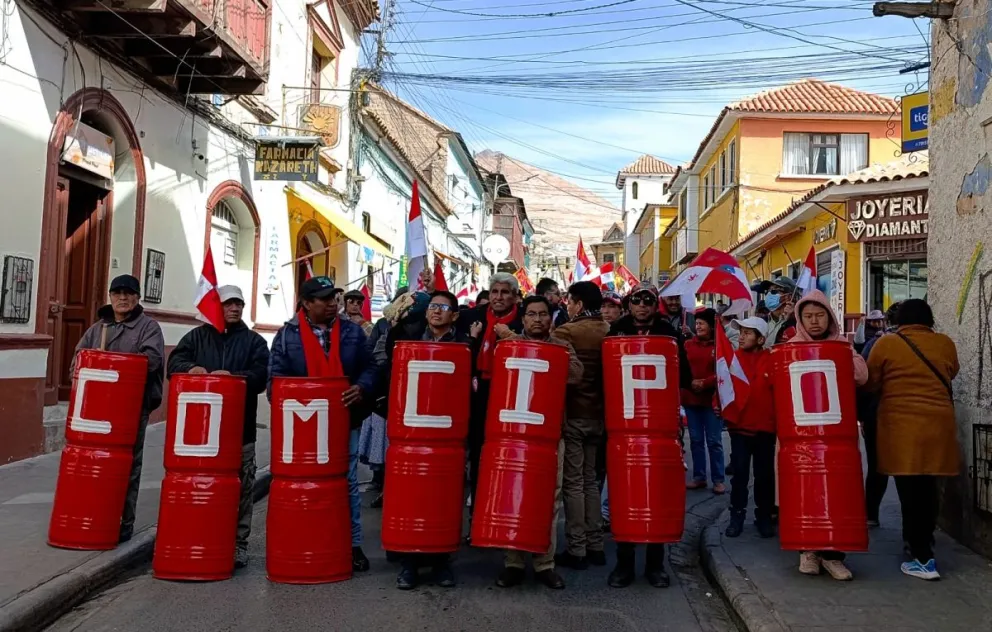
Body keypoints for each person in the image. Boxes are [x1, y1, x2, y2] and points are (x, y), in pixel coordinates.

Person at [268, 275, 377, 572]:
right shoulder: (287, 336)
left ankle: (351, 544)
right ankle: (307, 542)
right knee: (308, 487)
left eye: (334, 298)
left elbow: (370, 367)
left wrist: (362, 387)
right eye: (325, 299)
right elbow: (274, 380)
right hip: (304, 427)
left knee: (348, 482)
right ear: (306, 303)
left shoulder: (352, 333)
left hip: (345, 417)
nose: (333, 304)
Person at [166, 285, 269, 568]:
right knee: (203, 490)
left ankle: (238, 544)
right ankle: (201, 538)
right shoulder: (196, 338)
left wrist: (234, 379)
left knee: (243, 488)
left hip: (240, 431)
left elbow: (261, 376)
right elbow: (173, 363)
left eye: (239, 304)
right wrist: (190, 369)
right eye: (228, 304)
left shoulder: (254, 342)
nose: (234, 309)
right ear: (217, 306)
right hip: (200, 436)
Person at [865, 299, 959, 581]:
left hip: (901, 425)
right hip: (938, 424)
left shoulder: (886, 344)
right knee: (929, 486)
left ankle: (921, 556)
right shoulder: (945, 343)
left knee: (909, 489)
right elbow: (951, 371)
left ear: (900, 320)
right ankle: (923, 543)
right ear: (929, 319)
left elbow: (870, 381)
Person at [605, 282, 691, 588]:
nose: (642, 305)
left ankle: (656, 565)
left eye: (648, 301)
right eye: (637, 300)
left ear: (656, 305)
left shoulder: (670, 333)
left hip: (660, 425)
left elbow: (685, 376)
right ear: (629, 304)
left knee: (657, 492)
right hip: (624, 426)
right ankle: (624, 565)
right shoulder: (615, 331)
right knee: (624, 492)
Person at [497, 295, 583, 590]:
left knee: (550, 498)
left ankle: (544, 563)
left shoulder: (561, 345)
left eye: (543, 314)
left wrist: (548, 353)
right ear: (523, 319)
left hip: (549, 435)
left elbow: (576, 375)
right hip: (514, 435)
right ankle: (513, 562)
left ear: (551, 318)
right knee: (514, 496)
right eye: (531, 314)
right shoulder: (508, 346)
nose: (537, 319)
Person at [71, 274, 164, 543]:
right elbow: (78, 362)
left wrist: (113, 367)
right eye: (117, 293)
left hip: (130, 411)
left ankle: (124, 521)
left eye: (128, 293)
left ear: (137, 298)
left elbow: (152, 361)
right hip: (97, 413)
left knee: (128, 466)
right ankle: (94, 515)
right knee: (93, 465)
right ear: (110, 297)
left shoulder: (149, 329)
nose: (122, 298)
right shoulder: (97, 330)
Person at [383, 290, 467, 590]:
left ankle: (442, 562)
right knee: (412, 500)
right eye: (432, 306)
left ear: (454, 315)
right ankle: (409, 563)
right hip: (412, 436)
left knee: (443, 500)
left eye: (443, 308)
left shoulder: (463, 345)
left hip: (447, 437)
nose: (436, 312)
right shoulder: (409, 338)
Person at [789, 290, 868, 581]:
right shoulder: (791, 347)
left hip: (836, 433)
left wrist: (838, 355)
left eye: (819, 315)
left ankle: (834, 555)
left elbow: (862, 375)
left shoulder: (841, 345)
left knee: (837, 495)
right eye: (808, 316)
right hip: (802, 435)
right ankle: (808, 551)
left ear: (829, 316)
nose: (814, 321)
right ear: (800, 318)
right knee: (805, 494)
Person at [551, 281, 611, 573]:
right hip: (600, 416)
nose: (567, 307)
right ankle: (596, 544)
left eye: (570, 302)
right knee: (591, 480)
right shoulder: (609, 332)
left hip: (574, 414)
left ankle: (577, 548)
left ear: (578, 304)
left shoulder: (566, 332)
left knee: (574, 483)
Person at [461, 274, 524, 518]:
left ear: (515, 296)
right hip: (478, 395)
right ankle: (477, 516)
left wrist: (509, 335)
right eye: (495, 292)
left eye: (505, 292)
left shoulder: (523, 320)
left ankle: (505, 514)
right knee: (478, 456)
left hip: (510, 397)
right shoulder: (472, 317)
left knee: (507, 457)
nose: (498, 297)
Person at [723, 317, 776, 539]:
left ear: (761, 338)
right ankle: (737, 515)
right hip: (740, 428)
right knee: (740, 475)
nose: (742, 336)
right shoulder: (733, 360)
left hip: (765, 428)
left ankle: (763, 516)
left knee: (764, 476)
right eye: (741, 332)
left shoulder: (771, 360)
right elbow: (723, 385)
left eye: (748, 332)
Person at [858, 301, 900, 526]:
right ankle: (914, 533)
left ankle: (870, 515)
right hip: (909, 418)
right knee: (909, 472)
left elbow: (865, 381)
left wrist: (863, 416)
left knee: (877, 467)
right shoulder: (937, 342)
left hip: (878, 415)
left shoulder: (877, 344)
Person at [684, 308, 726, 494]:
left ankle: (718, 479)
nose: (698, 326)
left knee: (714, 440)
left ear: (711, 326)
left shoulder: (720, 347)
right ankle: (699, 476)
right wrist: (690, 382)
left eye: (702, 323)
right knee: (695, 440)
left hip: (712, 401)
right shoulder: (687, 345)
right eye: (697, 322)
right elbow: (681, 368)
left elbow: (724, 372)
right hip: (691, 399)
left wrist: (706, 382)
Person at [759, 277, 799, 348]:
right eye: (767, 291)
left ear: (789, 296)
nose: (769, 294)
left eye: (774, 291)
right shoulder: (761, 322)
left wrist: (792, 320)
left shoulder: (799, 323)